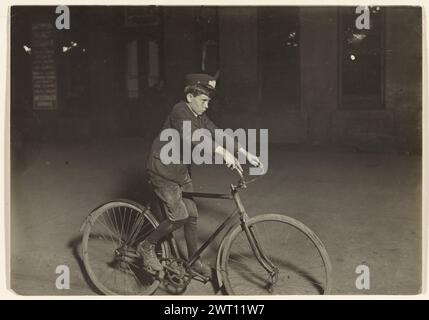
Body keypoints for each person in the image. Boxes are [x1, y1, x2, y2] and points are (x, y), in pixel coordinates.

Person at [137, 73, 261, 278]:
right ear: (190, 98)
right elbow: (194, 138)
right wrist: (222, 154)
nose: (207, 105)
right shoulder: (179, 111)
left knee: (192, 216)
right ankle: (146, 246)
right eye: (203, 100)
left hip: (180, 171)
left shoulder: (199, 115)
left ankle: (193, 262)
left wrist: (245, 153)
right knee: (180, 216)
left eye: (209, 101)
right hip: (163, 172)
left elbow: (218, 134)